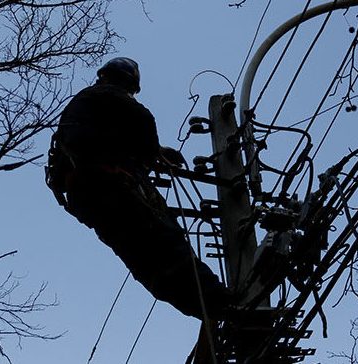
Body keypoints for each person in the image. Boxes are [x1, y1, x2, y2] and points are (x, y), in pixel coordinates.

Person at [46, 57, 234, 320]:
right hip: (115, 189)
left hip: (88, 199)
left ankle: (209, 310)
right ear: (129, 83)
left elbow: (111, 140)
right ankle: (221, 303)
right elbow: (142, 126)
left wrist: (155, 153)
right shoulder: (115, 101)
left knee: (146, 263)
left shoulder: (84, 105)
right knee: (169, 246)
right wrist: (150, 154)